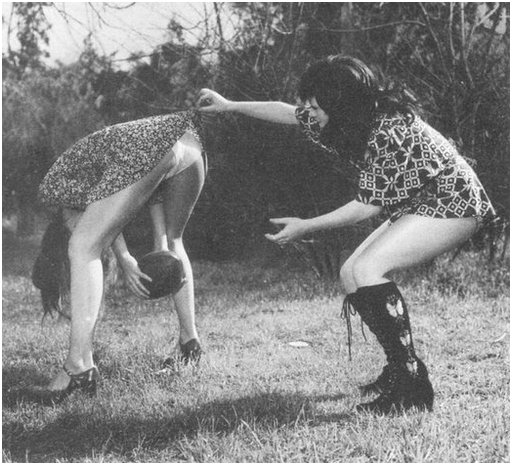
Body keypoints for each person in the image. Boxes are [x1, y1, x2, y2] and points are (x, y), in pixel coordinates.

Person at [197, 55, 496, 414]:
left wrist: (305, 226)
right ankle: (400, 368)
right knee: (350, 273)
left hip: (454, 202)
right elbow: (286, 111)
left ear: (342, 102)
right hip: (419, 202)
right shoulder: (342, 118)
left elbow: (364, 208)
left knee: (367, 270)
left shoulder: (389, 129)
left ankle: (412, 387)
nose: (308, 111)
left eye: (315, 104)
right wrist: (229, 105)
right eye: (307, 102)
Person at [33, 110, 206, 400]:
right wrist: (160, 245)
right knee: (176, 242)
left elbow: (104, 219)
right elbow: (145, 190)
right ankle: (190, 343)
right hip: (189, 145)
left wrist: (125, 258)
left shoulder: (58, 192)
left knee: (82, 246)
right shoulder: (92, 162)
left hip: (150, 149)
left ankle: (77, 367)